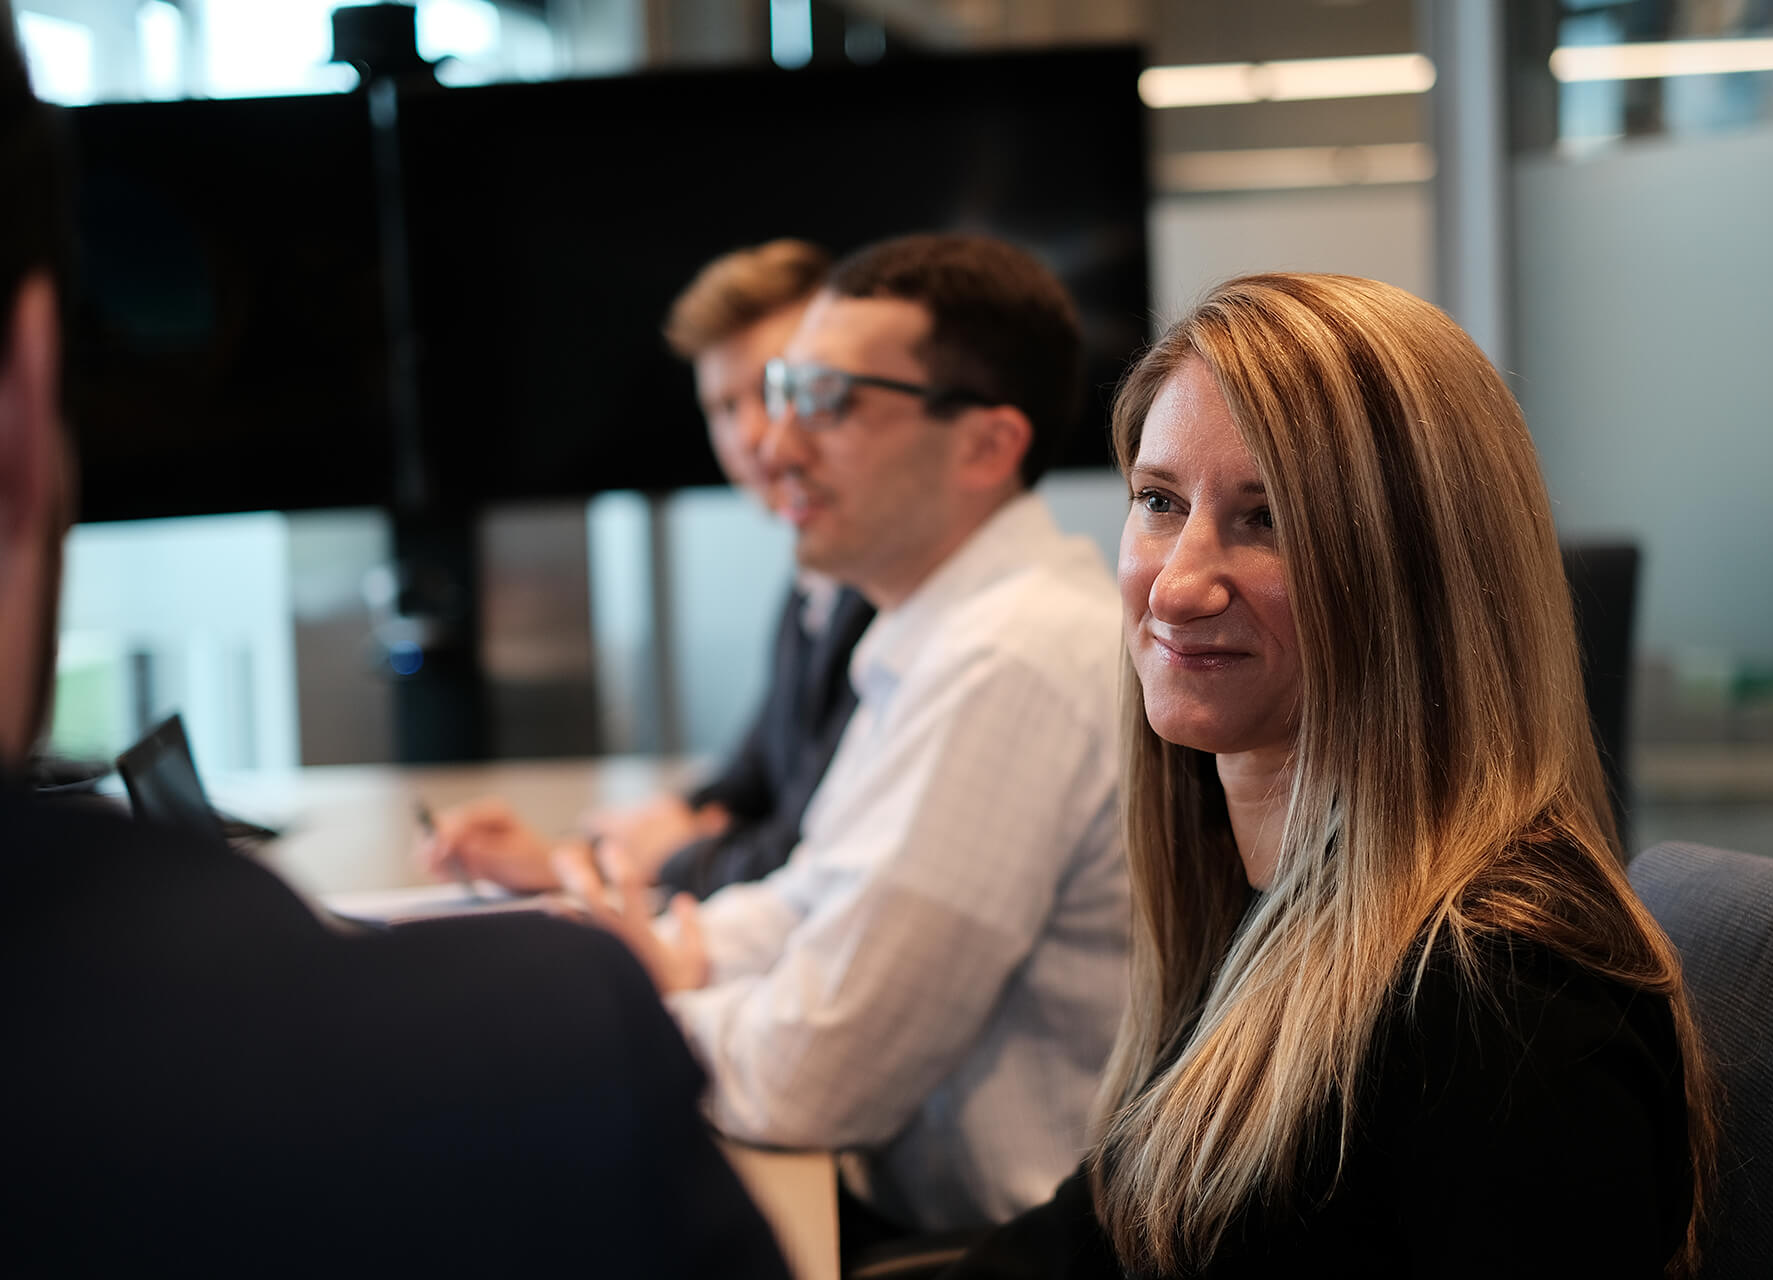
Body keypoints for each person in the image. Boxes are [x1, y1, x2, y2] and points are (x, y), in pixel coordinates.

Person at [0, 15, 786, 1275]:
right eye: (738, 406)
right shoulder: (531, 1065)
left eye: (799, 398)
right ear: (30, 403)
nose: (771, 444)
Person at [942, 274, 1717, 1278]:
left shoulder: (1499, 1011)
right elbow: (1099, 1236)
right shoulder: (1263, 901)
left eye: (1267, 520)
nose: (1177, 582)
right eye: (1158, 500)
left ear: (1419, 578)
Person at [548, 233, 1130, 1239]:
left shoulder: (1012, 661)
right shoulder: (937, 629)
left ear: (986, 446)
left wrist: (633, 1006)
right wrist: (649, 955)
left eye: (829, 400)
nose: (772, 446)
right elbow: (811, 897)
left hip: (996, 1247)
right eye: (776, 393)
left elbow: (808, 1077)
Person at [428, 239, 876, 900]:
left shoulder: (884, 587)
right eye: (724, 408)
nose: (755, 435)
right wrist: (573, 856)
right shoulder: (813, 586)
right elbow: (743, 789)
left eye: (778, 389)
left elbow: (799, 854)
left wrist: (663, 856)